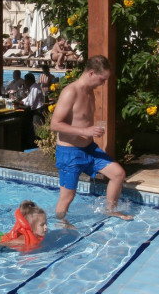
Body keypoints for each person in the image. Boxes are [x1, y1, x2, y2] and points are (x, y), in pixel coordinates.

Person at [50, 55, 132, 221]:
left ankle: (110, 210)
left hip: (89, 148)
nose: (103, 83)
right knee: (67, 196)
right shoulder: (70, 92)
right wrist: (85, 131)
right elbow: (55, 125)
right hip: (69, 153)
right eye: (102, 79)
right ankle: (60, 224)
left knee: (118, 174)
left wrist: (91, 132)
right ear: (91, 73)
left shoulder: (90, 91)